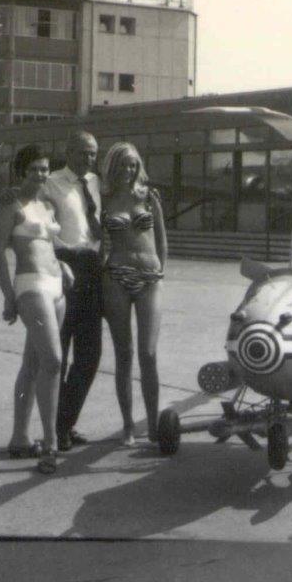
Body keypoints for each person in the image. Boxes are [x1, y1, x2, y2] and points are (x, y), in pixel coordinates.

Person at [0, 145, 73, 474]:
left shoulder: (47, 205)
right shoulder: (10, 205)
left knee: (33, 363)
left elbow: (49, 244)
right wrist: (8, 296)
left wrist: (63, 265)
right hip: (31, 285)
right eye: (34, 169)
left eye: (44, 168)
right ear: (21, 171)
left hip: (56, 287)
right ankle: (50, 443)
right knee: (53, 361)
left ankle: (20, 438)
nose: (40, 174)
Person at [101, 142, 167, 445]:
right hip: (116, 276)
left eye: (133, 165)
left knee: (148, 353)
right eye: (123, 165)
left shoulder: (149, 197)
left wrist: (161, 270)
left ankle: (153, 425)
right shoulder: (104, 199)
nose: (128, 170)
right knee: (124, 354)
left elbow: (161, 239)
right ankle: (128, 425)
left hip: (150, 277)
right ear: (113, 167)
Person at [46, 131, 103, 452]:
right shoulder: (51, 183)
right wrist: (67, 253)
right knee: (60, 353)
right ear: (68, 152)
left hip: (93, 271)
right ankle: (58, 428)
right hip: (64, 268)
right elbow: (43, 229)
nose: (88, 159)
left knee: (90, 355)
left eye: (93, 153)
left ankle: (64, 422)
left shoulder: (96, 183)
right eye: (83, 152)